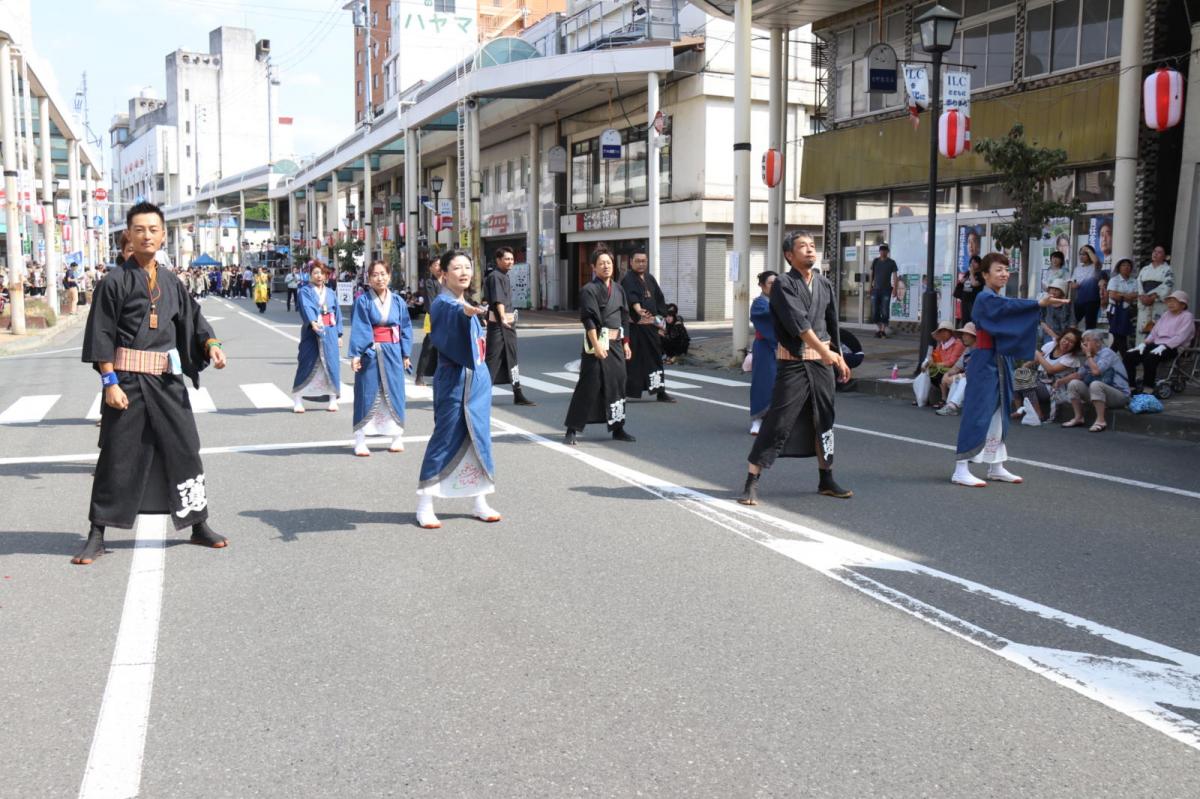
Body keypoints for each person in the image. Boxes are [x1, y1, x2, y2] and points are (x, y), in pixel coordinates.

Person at [74, 201, 228, 565]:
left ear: (162, 234)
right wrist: (109, 382)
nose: (147, 235)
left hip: (166, 381)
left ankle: (198, 524)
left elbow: (193, 319)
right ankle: (97, 533)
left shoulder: (172, 280)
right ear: (128, 234)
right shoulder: (113, 282)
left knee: (186, 448)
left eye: (153, 229)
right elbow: (101, 334)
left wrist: (211, 344)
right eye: (139, 229)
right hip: (126, 381)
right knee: (117, 456)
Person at [739, 232, 852, 505]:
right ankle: (751, 480)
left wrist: (840, 356)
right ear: (789, 255)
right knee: (778, 421)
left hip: (822, 363)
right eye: (803, 246)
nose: (810, 250)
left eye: (813, 246)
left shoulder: (824, 284)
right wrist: (828, 354)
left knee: (825, 420)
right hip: (794, 362)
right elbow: (799, 324)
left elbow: (831, 323)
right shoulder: (783, 284)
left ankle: (826, 478)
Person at [951, 252, 1069, 487]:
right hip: (984, 360)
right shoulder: (985, 298)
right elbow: (1008, 306)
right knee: (978, 410)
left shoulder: (994, 297)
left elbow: (1009, 308)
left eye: (1006, 270)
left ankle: (996, 465)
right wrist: (1038, 303)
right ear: (985, 275)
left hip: (999, 359)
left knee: (1000, 412)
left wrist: (1037, 304)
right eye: (998, 270)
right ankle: (961, 468)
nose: (1004, 274)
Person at [416, 249, 500, 528]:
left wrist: (470, 312)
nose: (464, 272)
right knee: (445, 437)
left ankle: (480, 500)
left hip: (476, 383)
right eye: (457, 268)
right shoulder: (443, 303)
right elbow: (454, 313)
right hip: (453, 382)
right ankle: (425, 503)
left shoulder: (470, 303)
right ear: (444, 273)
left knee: (480, 439)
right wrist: (465, 313)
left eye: (468, 267)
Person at [564, 245, 636, 445]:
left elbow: (624, 318)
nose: (606, 266)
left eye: (609, 263)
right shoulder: (589, 290)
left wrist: (626, 343)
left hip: (616, 345)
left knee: (618, 384)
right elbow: (588, 320)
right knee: (589, 385)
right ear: (593, 267)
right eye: (602, 263)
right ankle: (572, 429)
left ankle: (618, 427)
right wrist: (596, 345)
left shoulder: (619, 289)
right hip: (596, 343)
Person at [349, 260, 413, 456]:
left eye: (383, 274)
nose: (380, 278)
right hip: (371, 351)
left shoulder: (399, 302)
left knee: (394, 392)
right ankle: (360, 439)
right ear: (369, 278)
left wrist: (406, 353)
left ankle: (396, 436)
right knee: (367, 392)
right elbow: (360, 328)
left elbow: (405, 328)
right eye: (375, 275)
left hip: (393, 351)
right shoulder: (363, 301)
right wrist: (356, 354)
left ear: (389, 276)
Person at [620, 248, 675, 402]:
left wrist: (663, 318)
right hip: (635, 329)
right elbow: (632, 298)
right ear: (631, 262)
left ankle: (659, 391)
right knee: (632, 361)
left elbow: (659, 299)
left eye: (644, 261)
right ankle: (624, 392)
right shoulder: (628, 279)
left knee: (655, 359)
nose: (641, 264)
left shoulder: (650, 278)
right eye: (638, 261)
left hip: (651, 329)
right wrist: (638, 309)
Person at [483, 246, 535, 406]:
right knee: (492, 359)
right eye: (506, 259)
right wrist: (503, 318)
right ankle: (481, 394)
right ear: (498, 260)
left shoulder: (504, 276)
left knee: (512, 358)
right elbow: (498, 301)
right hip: (500, 324)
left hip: (507, 324)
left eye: (512, 259)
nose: (510, 261)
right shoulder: (495, 276)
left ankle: (518, 393)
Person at [291, 260, 342, 413]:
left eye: (322, 273)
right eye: (316, 273)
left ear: (327, 276)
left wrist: (339, 334)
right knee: (306, 362)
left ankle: (333, 398)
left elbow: (337, 313)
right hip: (311, 331)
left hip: (330, 331)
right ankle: (298, 398)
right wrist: (312, 321)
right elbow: (306, 306)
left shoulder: (331, 292)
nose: (319, 276)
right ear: (310, 275)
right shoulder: (305, 291)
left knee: (332, 364)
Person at [1124, 290, 1194, 393]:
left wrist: (1165, 346)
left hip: (1172, 347)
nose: (1170, 304)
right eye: (1169, 301)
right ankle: (1131, 386)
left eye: (1174, 301)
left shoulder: (1187, 316)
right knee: (1129, 355)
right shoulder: (1166, 314)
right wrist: (1144, 343)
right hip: (1156, 344)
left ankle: (1148, 388)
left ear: (1183, 305)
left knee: (1150, 358)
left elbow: (1181, 337)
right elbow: (1154, 332)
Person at [1062, 329, 1131, 432]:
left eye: (1088, 340)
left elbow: (1096, 371)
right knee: (1073, 384)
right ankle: (1078, 417)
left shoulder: (1107, 353)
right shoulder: (1092, 356)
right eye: (1083, 341)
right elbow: (1079, 375)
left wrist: (1088, 355)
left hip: (1120, 395)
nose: (1084, 343)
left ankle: (1101, 420)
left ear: (1098, 342)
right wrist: (1060, 381)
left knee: (1095, 384)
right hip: (1102, 394)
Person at [1017, 327, 1083, 424]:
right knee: (1018, 375)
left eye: (1071, 342)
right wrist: (1025, 366)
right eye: (1066, 339)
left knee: (1024, 379)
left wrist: (1038, 356)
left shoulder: (1071, 359)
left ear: (1075, 346)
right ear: (1061, 338)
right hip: (1040, 381)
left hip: (1053, 388)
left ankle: (1039, 415)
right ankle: (1019, 410)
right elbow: (1038, 357)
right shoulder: (1051, 345)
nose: (1067, 343)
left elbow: (1051, 370)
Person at [749, 270, 778, 435]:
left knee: (784, 385)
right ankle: (757, 419)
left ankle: (777, 421)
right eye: (770, 283)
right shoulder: (759, 303)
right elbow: (767, 318)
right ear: (761, 285)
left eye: (776, 283)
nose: (774, 287)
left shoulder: (783, 301)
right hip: (765, 347)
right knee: (763, 382)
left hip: (785, 348)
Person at [935, 322, 977, 417]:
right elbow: (957, 367)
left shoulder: (980, 351)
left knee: (962, 380)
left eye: (966, 334)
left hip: (979, 380)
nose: (963, 337)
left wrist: (955, 377)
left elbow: (974, 372)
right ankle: (950, 405)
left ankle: (952, 405)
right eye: (963, 334)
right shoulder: (967, 350)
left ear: (974, 336)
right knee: (954, 379)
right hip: (967, 377)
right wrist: (947, 374)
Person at [1135, 245, 1174, 345]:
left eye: (1159, 252)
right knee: (1142, 333)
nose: (1155, 253)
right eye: (1154, 251)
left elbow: (1167, 286)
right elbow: (1138, 284)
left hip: (1157, 305)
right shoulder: (1144, 269)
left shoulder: (1167, 270)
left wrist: (1153, 296)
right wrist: (1142, 296)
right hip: (1144, 304)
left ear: (1165, 256)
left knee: (1157, 332)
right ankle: (1139, 356)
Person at [923, 321, 965, 410]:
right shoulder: (941, 345)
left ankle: (944, 398)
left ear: (950, 332)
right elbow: (935, 356)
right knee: (930, 372)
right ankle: (924, 398)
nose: (943, 333)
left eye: (945, 331)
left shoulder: (958, 344)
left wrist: (936, 364)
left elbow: (952, 362)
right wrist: (928, 363)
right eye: (941, 331)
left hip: (956, 369)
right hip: (943, 368)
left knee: (938, 373)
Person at [414, 261, 443, 387]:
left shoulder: (448, 281)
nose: (439, 267)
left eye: (441, 264)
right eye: (436, 265)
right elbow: (431, 303)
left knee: (444, 348)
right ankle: (419, 376)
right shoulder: (429, 283)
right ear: (430, 268)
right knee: (429, 346)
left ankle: (441, 375)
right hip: (433, 318)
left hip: (447, 318)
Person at [1105, 258, 1138, 353]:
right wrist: (1127, 296)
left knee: (1119, 338)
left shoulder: (1134, 281)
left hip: (1127, 312)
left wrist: (1121, 294)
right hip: (1114, 311)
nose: (1126, 267)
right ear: (1119, 268)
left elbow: (1136, 295)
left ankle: (1107, 359)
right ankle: (1127, 361)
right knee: (1119, 337)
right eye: (1123, 265)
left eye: (1128, 265)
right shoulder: (1114, 280)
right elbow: (1113, 295)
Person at [1070, 244, 1106, 330]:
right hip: (1079, 300)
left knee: (1090, 325)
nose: (1081, 256)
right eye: (1080, 254)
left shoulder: (1095, 267)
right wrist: (1073, 285)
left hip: (1092, 300)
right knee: (1072, 323)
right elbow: (1072, 282)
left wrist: (1088, 250)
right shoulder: (1077, 269)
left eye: (1084, 254)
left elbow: (1096, 261)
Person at [868, 243, 898, 338]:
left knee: (885, 310)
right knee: (874, 311)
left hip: (886, 290)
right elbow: (872, 274)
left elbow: (895, 276)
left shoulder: (891, 262)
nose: (882, 252)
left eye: (884, 250)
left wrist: (895, 289)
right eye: (881, 250)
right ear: (879, 251)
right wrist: (870, 287)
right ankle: (879, 328)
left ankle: (882, 330)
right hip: (875, 289)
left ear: (887, 251)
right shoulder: (875, 261)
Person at [954, 255, 984, 326]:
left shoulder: (981, 275)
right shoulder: (967, 273)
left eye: (975, 262)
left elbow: (974, 284)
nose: (972, 264)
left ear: (979, 264)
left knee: (972, 321)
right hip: (965, 301)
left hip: (973, 301)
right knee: (965, 321)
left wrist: (972, 273)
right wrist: (962, 282)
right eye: (971, 262)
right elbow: (962, 283)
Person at [1038, 279, 1071, 344]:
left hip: (1065, 334)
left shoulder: (1067, 304)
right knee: (1051, 345)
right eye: (1052, 288)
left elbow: (1072, 323)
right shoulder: (1045, 303)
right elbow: (1042, 322)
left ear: (1062, 292)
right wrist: (1055, 336)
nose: (1054, 291)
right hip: (1049, 334)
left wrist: (1068, 336)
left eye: (1057, 289)